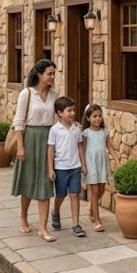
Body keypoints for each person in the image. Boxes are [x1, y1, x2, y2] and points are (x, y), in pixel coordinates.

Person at [11, 59, 59, 241]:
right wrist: (21, 146)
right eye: (50, 74)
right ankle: (23, 217)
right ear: (40, 75)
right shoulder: (27, 94)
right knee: (28, 182)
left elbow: (57, 120)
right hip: (30, 138)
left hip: (48, 140)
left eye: (54, 74)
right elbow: (18, 121)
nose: (53, 77)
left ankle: (43, 228)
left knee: (45, 183)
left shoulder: (55, 95)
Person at [48, 96, 86, 238]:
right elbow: (50, 150)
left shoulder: (76, 129)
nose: (72, 113)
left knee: (75, 195)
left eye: (73, 110)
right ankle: (56, 212)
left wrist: (83, 164)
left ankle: (76, 224)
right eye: (69, 110)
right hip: (61, 168)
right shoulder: (54, 130)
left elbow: (80, 146)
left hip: (75, 167)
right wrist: (50, 169)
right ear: (60, 112)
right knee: (61, 195)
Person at [82, 103, 109, 232]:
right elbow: (83, 149)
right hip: (91, 164)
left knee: (102, 189)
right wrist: (83, 165)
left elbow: (110, 147)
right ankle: (97, 220)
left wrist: (117, 160)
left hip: (102, 163)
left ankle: (92, 208)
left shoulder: (104, 132)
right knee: (95, 193)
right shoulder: (86, 133)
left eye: (99, 116)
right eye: (94, 116)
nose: (98, 119)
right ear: (88, 118)